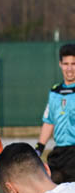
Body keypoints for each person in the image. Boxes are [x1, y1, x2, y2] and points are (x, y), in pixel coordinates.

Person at [34, 43, 75, 183]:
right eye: (66, 64)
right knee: (50, 184)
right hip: (60, 152)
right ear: (60, 64)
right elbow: (49, 121)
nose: (69, 68)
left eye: (73, 64)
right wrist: (39, 148)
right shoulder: (54, 92)